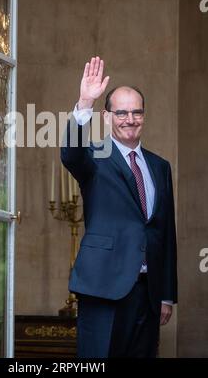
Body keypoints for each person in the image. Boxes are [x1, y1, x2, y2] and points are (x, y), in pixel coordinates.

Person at [61, 56, 177, 358]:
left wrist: (167, 294)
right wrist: (84, 103)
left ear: (144, 116)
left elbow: (165, 233)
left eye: (137, 112)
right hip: (103, 286)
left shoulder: (160, 167)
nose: (130, 119)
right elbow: (70, 155)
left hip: (148, 293)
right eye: (122, 112)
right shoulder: (94, 157)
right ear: (107, 117)